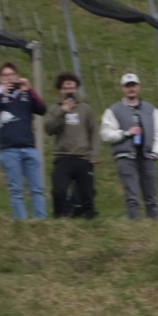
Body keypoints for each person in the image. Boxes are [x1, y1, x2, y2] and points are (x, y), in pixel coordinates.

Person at [0, 61, 47, 220]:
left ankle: (41, 221)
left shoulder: (25, 94)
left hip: (29, 147)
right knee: (16, 190)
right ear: (0, 78)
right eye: (5, 75)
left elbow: (42, 109)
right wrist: (2, 94)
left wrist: (30, 89)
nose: (9, 78)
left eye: (12, 74)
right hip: (9, 150)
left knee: (37, 188)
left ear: (17, 76)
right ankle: (21, 222)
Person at [100, 72, 158, 221]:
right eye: (127, 86)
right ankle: (135, 225)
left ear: (139, 87)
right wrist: (125, 133)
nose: (131, 89)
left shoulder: (151, 110)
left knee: (151, 196)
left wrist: (156, 153)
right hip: (125, 157)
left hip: (147, 157)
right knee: (132, 196)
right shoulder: (113, 110)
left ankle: (154, 225)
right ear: (123, 89)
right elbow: (105, 133)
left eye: (133, 85)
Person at [44, 71, 100, 219]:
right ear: (60, 91)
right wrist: (62, 112)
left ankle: (89, 221)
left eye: (72, 88)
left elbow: (94, 132)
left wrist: (94, 154)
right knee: (59, 192)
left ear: (76, 89)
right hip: (63, 157)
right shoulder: (54, 109)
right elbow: (49, 129)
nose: (69, 91)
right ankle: (59, 219)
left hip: (83, 158)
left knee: (86, 195)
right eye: (65, 88)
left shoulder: (85, 109)